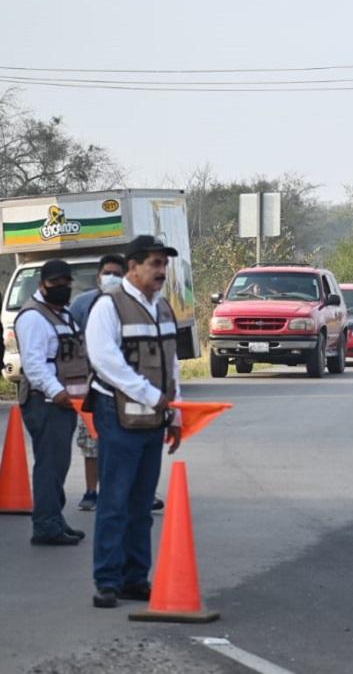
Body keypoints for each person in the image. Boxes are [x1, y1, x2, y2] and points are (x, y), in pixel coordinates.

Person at [87, 235, 183, 609]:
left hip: (153, 417)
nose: (161, 271)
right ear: (133, 267)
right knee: (115, 500)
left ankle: (135, 578)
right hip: (118, 415)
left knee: (142, 504)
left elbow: (172, 365)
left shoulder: (163, 307)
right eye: (154, 264)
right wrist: (150, 395)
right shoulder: (109, 306)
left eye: (164, 264)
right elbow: (105, 362)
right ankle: (107, 581)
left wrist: (175, 413)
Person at [13, 259, 90, 546]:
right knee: (50, 465)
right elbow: (34, 365)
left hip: (65, 402)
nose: (62, 287)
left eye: (66, 282)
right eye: (55, 282)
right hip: (45, 401)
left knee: (58, 464)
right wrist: (57, 392)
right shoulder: (33, 317)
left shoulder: (63, 314)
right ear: (41, 285)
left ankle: (54, 518)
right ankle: (46, 525)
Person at [69, 254, 126, 511]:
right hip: (91, 386)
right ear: (98, 276)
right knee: (90, 442)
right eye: (107, 273)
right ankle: (92, 491)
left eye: (117, 274)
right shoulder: (82, 304)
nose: (111, 277)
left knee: (125, 443)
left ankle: (128, 491)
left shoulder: (132, 304)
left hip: (125, 387)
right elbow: (70, 343)